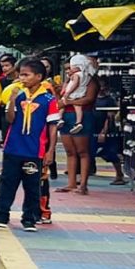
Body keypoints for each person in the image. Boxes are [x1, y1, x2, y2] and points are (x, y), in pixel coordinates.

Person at [0, 58, 53, 231]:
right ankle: (0, 215)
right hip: (13, 145)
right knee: (8, 181)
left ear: (38, 76)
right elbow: (10, 119)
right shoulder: (18, 94)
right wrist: (13, 100)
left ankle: (29, 218)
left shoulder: (48, 99)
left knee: (32, 184)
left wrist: (50, 150)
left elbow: (52, 126)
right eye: (20, 74)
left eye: (26, 75)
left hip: (34, 148)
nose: (22, 78)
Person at [59, 52, 98, 194]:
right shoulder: (69, 80)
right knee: (70, 151)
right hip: (67, 115)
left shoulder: (89, 80)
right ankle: (71, 183)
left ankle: (83, 184)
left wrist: (68, 101)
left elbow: (89, 99)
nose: (69, 71)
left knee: (82, 151)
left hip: (82, 115)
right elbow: (62, 97)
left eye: (71, 67)